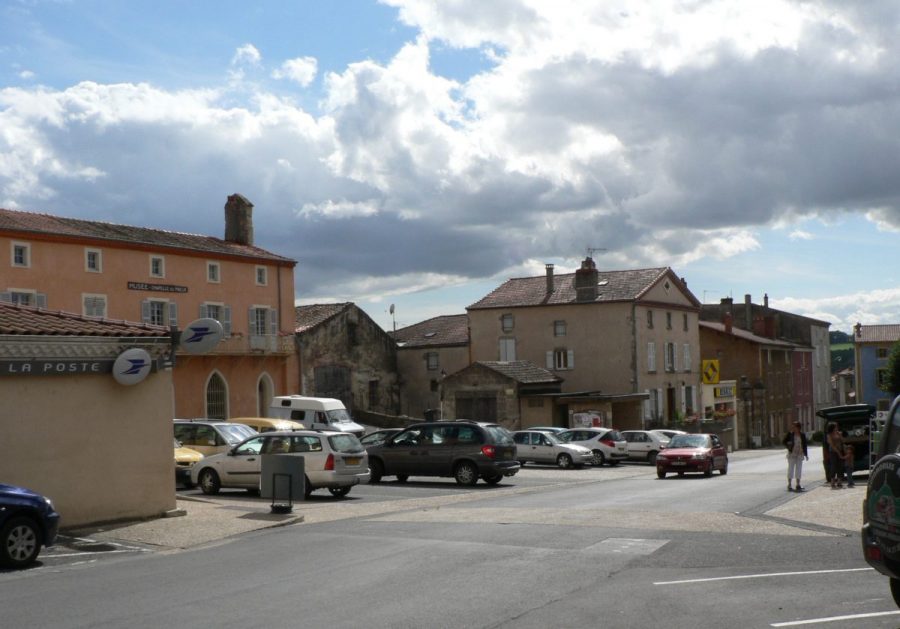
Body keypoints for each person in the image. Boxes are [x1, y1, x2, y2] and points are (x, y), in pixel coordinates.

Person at [782, 420, 808, 492]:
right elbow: (784, 441)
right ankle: (789, 484)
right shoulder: (790, 434)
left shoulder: (802, 435)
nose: (793, 428)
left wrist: (806, 454)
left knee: (799, 469)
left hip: (800, 454)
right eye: (792, 427)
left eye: (794, 427)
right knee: (791, 469)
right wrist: (788, 445)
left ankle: (798, 484)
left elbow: (805, 445)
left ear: (798, 428)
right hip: (792, 454)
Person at [826, 422, 845, 489]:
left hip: (840, 450)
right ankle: (832, 482)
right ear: (832, 427)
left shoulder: (839, 433)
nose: (837, 427)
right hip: (833, 452)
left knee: (840, 466)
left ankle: (839, 482)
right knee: (833, 466)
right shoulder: (829, 435)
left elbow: (843, 441)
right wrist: (838, 453)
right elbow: (832, 445)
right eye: (835, 426)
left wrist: (840, 436)